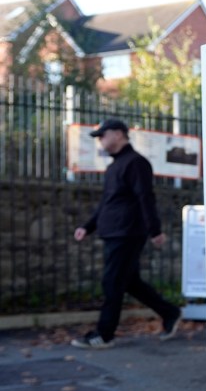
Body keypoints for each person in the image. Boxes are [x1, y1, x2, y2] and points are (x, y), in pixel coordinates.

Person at [72, 118, 182, 349]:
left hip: (127, 232)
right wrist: (87, 226)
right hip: (114, 231)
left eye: (103, 134)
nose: (100, 139)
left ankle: (104, 334)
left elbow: (145, 196)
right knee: (129, 282)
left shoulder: (136, 163)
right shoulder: (114, 166)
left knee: (112, 281)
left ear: (119, 134)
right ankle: (170, 312)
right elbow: (107, 202)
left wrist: (155, 230)